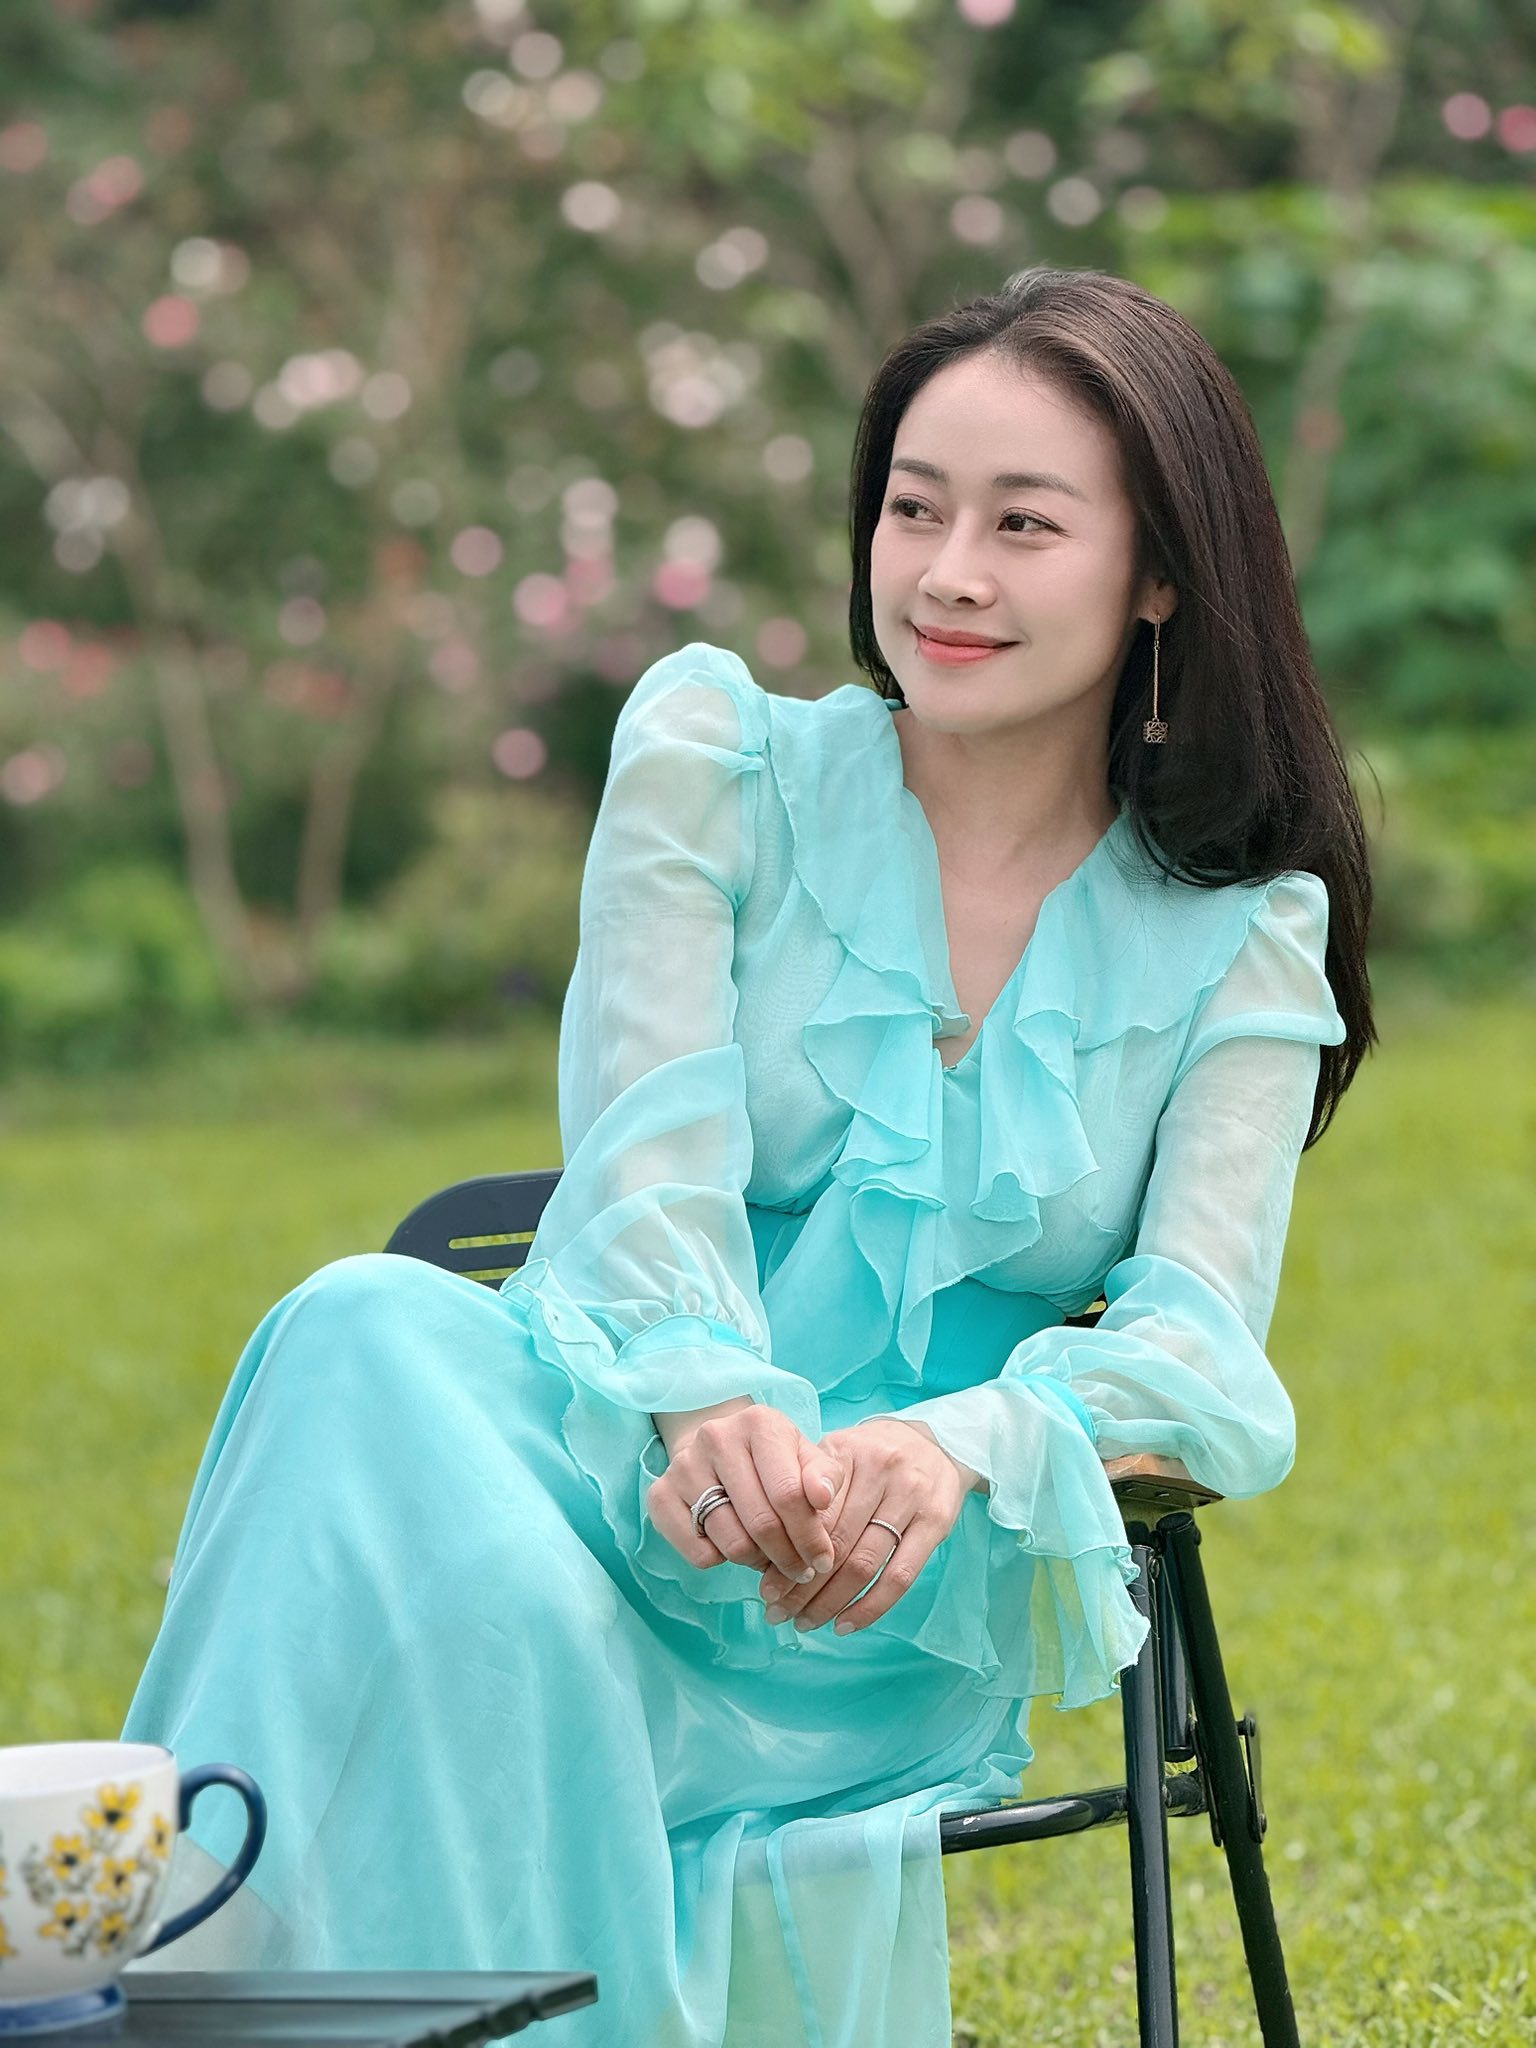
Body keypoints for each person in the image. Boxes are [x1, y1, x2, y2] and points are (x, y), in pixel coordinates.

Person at [122, 264, 1375, 2048]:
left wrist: (955, 1445)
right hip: (613, 1464)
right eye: (914, 509)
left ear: (1161, 572)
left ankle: (231, 1994)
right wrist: (705, 1399)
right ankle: (198, 1993)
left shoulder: (1241, 938)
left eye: (1024, 525)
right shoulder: (716, 762)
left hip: (865, 1595)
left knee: (486, 1602)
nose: (947, 574)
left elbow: (1203, 1358)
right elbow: (647, 1153)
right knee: (357, 1328)